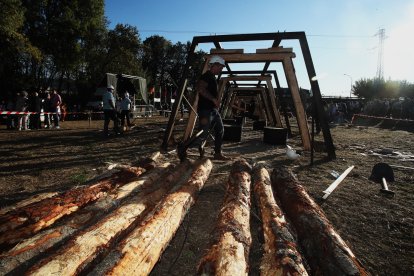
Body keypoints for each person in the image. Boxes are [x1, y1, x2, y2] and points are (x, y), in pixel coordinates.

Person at [194, 55, 230, 160]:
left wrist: (215, 103)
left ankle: (217, 153)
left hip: (212, 110)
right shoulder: (206, 76)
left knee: (220, 129)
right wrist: (213, 99)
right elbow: (200, 89)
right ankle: (189, 149)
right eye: (220, 67)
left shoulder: (213, 77)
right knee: (203, 133)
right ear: (215, 65)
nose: (221, 69)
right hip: (205, 110)